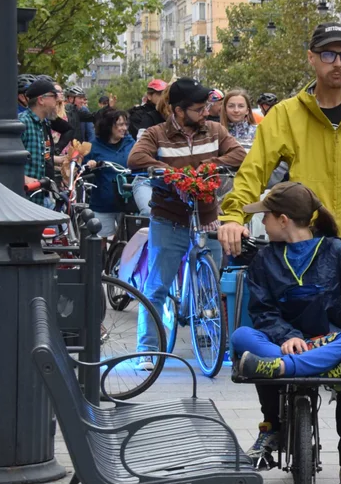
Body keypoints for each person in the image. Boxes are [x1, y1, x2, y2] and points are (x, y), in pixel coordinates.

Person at [217, 22, 341, 272]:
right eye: (328, 54)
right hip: (305, 255)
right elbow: (253, 172)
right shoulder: (286, 115)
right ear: (311, 57)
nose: (338, 62)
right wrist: (234, 217)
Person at [228, 182, 341, 484]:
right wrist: (290, 337)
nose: (262, 222)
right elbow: (262, 311)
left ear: (282, 219)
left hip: (331, 342)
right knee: (242, 336)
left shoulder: (337, 251)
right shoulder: (264, 258)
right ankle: (292, 375)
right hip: (291, 347)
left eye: (265, 216)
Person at [128, 78, 246, 368]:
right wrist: (171, 174)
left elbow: (239, 154)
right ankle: (148, 349)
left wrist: (207, 169)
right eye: (198, 108)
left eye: (206, 105)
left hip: (207, 217)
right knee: (156, 286)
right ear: (179, 110)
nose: (206, 111)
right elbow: (136, 157)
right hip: (169, 219)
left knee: (214, 285)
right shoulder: (157, 134)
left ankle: (220, 342)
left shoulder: (215, 130)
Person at [83, 108, 135, 236]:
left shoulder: (131, 143)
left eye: (125, 124)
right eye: (120, 124)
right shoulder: (93, 146)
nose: (124, 128)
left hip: (127, 202)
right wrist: (90, 165)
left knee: (128, 241)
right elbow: (82, 170)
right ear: (108, 126)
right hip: (102, 203)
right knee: (99, 240)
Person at [19, 76, 61, 193]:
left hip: (42, 197)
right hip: (25, 199)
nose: (57, 100)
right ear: (41, 100)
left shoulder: (44, 124)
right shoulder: (22, 123)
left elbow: (44, 157)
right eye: (53, 96)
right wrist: (23, 178)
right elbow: (5, 161)